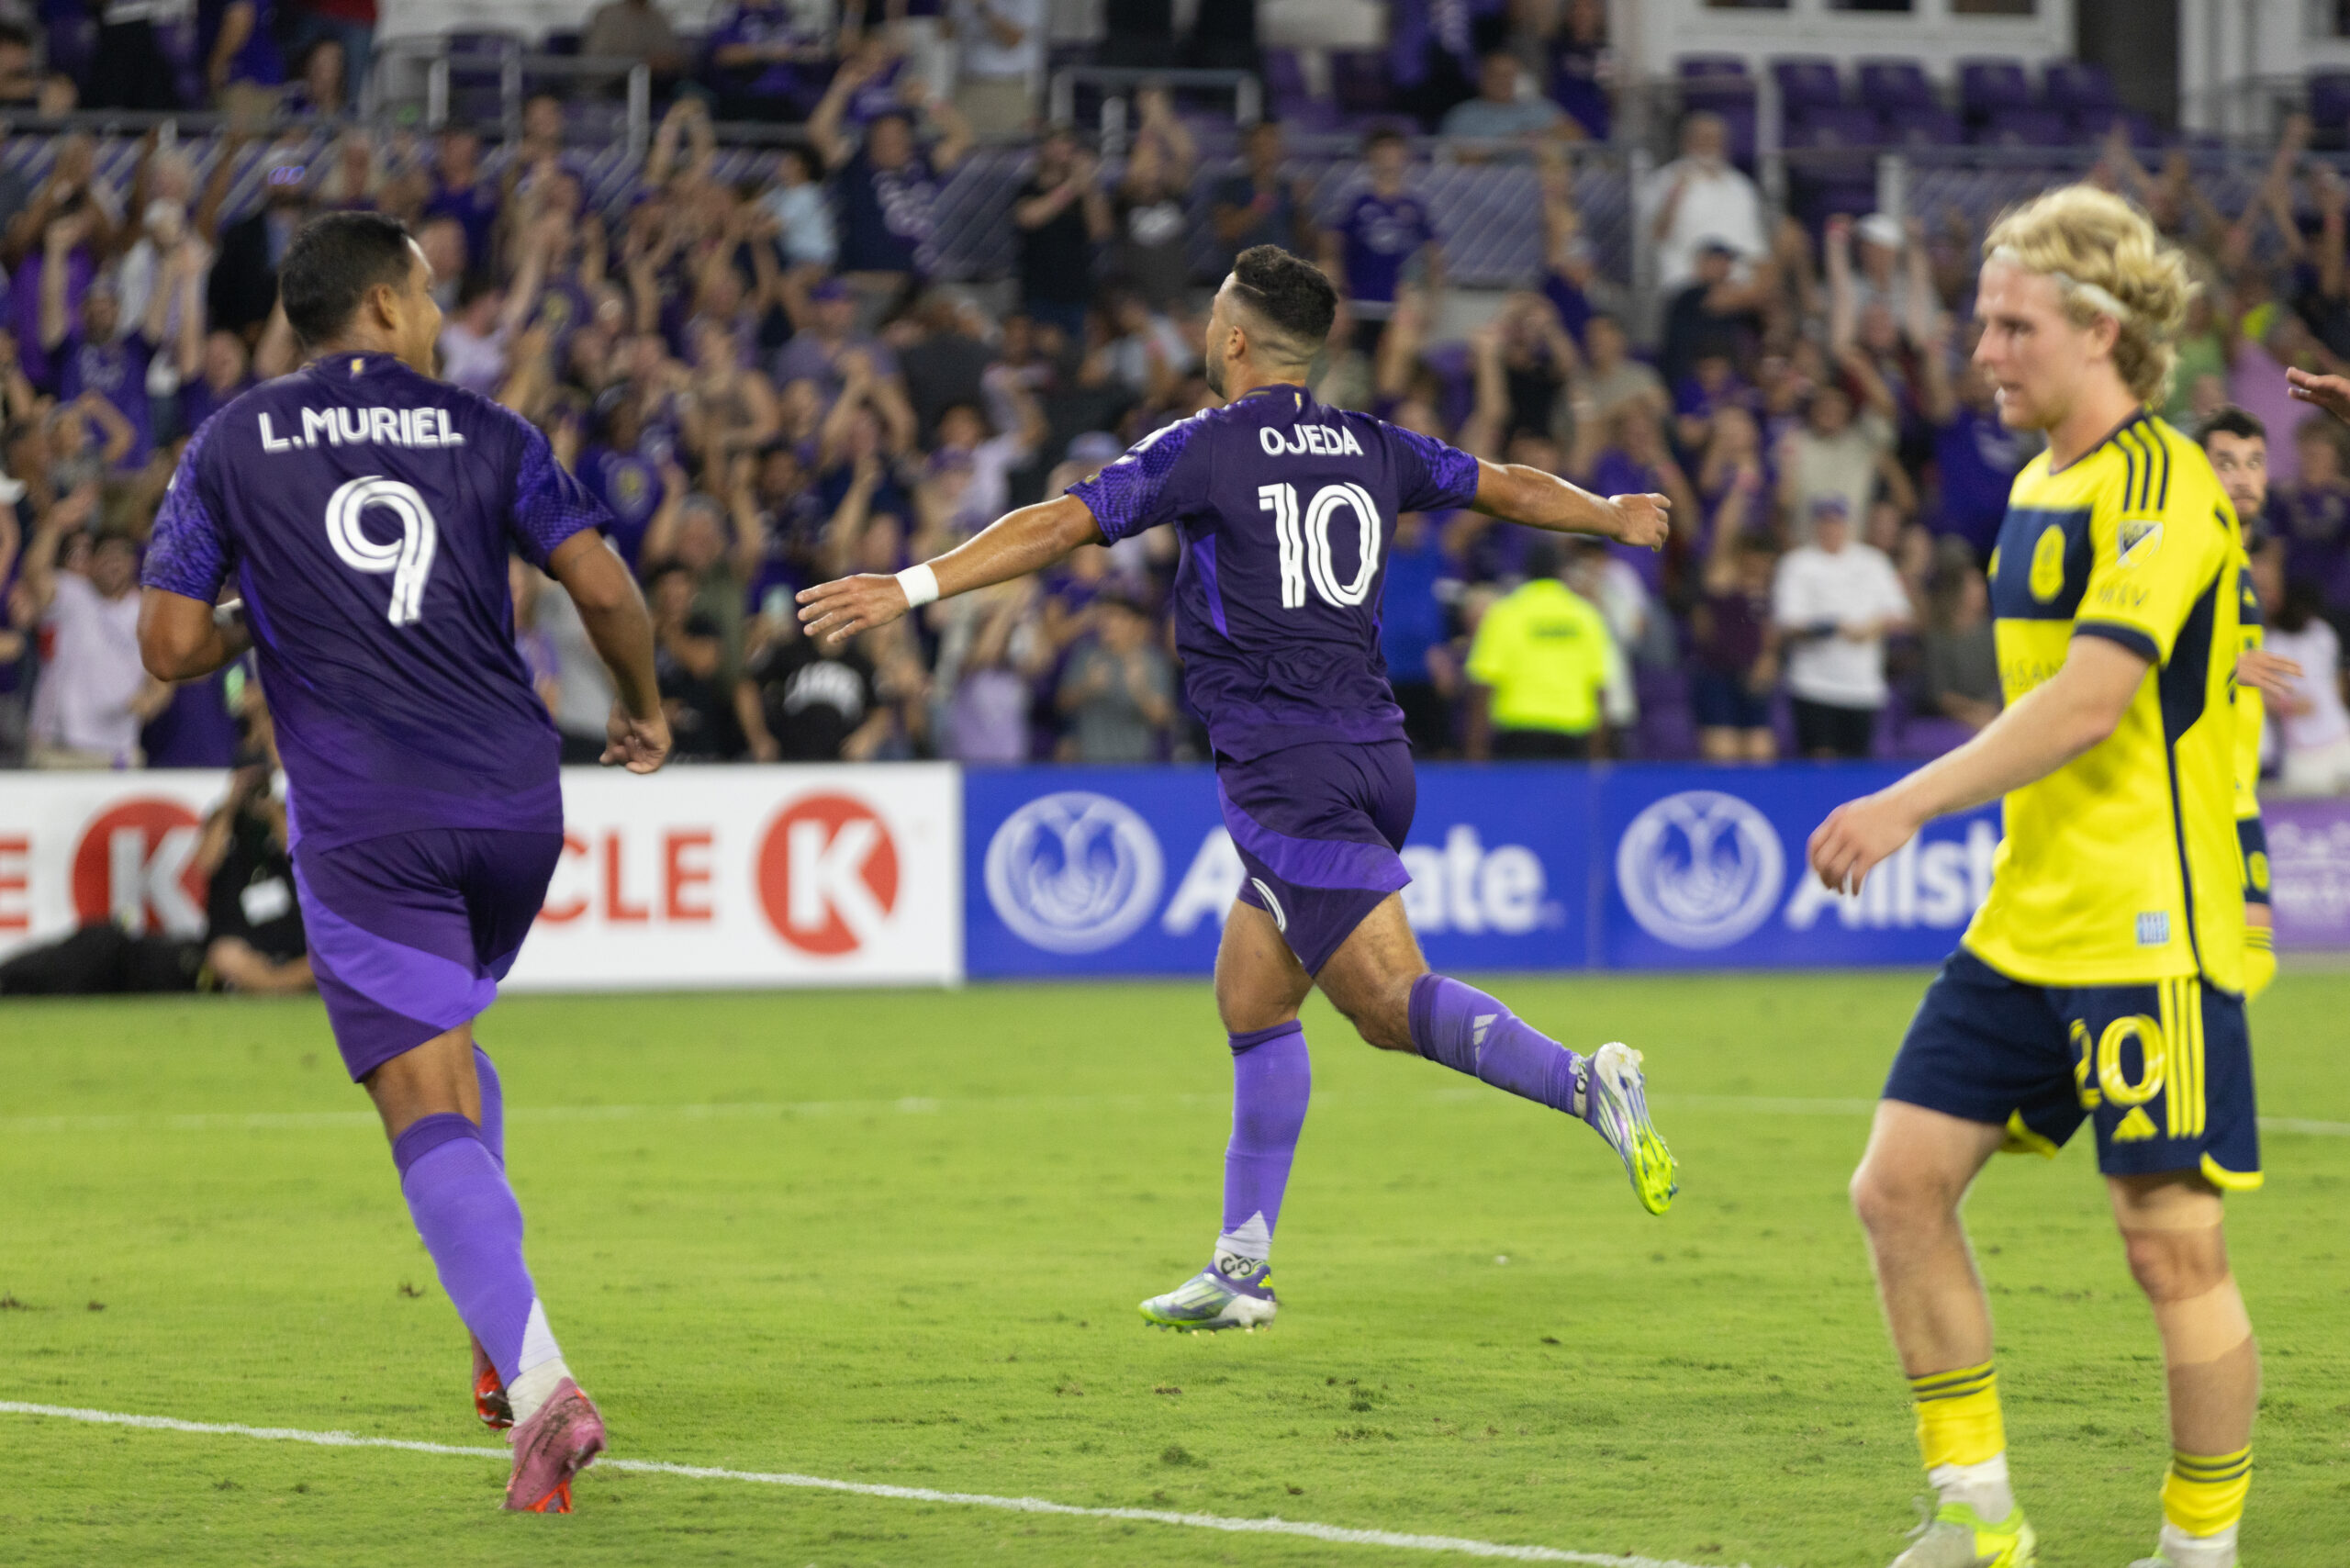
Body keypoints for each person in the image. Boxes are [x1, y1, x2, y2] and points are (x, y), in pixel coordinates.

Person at [797, 243, 1679, 1335]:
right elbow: (1501, 487)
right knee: (1254, 1000)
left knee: (1388, 1003)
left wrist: (911, 583)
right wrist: (1607, 513)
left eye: (1213, 316)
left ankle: (1587, 1082)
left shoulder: (1206, 447)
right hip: (1374, 755)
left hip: (1283, 765)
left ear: (1232, 341)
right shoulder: (1370, 443)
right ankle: (1239, 1267)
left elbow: (1064, 521)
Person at [137, 210, 670, 1514]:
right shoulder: (493, 432)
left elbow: (162, 646)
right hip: (512, 809)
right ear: (379, 307)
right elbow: (602, 591)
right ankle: (503, 1344)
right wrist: (644, 705)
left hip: (369, 815)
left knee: (420, 1096)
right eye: (427, 297)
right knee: (453, 1046)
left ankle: (544, 1388)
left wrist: (254, 615)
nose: (437, 320)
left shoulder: (233, 440)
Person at [1809, 186, 2261, 1568]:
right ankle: (1977, 1515)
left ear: (2099, 328)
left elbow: (2087, 705)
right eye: (1981, 321)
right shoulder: (2037, 482)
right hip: (2028, 921)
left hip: (2147, 927)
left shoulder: (2164, 483)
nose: (1984, 349)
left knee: (2167, 1248)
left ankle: (2199, 1552)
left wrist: (1903, 801)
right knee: (1895, 1189)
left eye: (2011, 324)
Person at [2198, 407, 2286, 999]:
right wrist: (2228, 667)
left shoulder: (2241, 562)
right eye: (2225, 463)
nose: (2242, 478)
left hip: (2236, 791)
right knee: (2234, 963)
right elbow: (2131, 657)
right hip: (2198, 796)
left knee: (2249, 960)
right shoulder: (2193, 555)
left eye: (2253, 463)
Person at [1773, 497, 1912, 758]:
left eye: (1836, 522)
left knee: (1856, 767)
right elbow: (1788, 623)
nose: (1831, 529)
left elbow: (1901, 615)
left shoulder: (1874, 562)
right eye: (1825, 522)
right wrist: (1831, 627)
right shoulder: (1797, 563)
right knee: (1819, 762)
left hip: (1862, 687)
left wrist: (1873, 626)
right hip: (1813, 685)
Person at [1463, 533, 1619, 759]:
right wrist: (1598, 751)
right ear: (1561, 570)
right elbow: (1600, 688)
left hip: (1520, 732)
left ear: (1526, 571)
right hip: (1573, 732)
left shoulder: (1505, 613)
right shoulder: (1586, 616)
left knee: (1524, 796)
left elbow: (1484, 683)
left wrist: (1476, 747)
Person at [1322, 129, 1440, 358]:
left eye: (1394, 151)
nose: (1389, 159)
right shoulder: (1354, 202)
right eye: (1382, 152)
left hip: (1397, 304)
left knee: (1395, 359)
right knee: (1345, 361)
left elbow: (1434, 256)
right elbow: (1330, 249)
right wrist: (1337, 294)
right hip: (1355, 300)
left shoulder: (1415, 206)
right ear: (1370, 156)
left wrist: (1432, 303)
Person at [1638, 111, 1767, 295]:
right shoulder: (1664, 181)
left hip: (1739, 280)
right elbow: (1654, 236)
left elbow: (1755, 248)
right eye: (1704, 139)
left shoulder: (1741, 186)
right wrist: (1675, 196)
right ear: (1687, 142)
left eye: (1717, 140)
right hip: (1686, 279)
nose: (1711, 145)